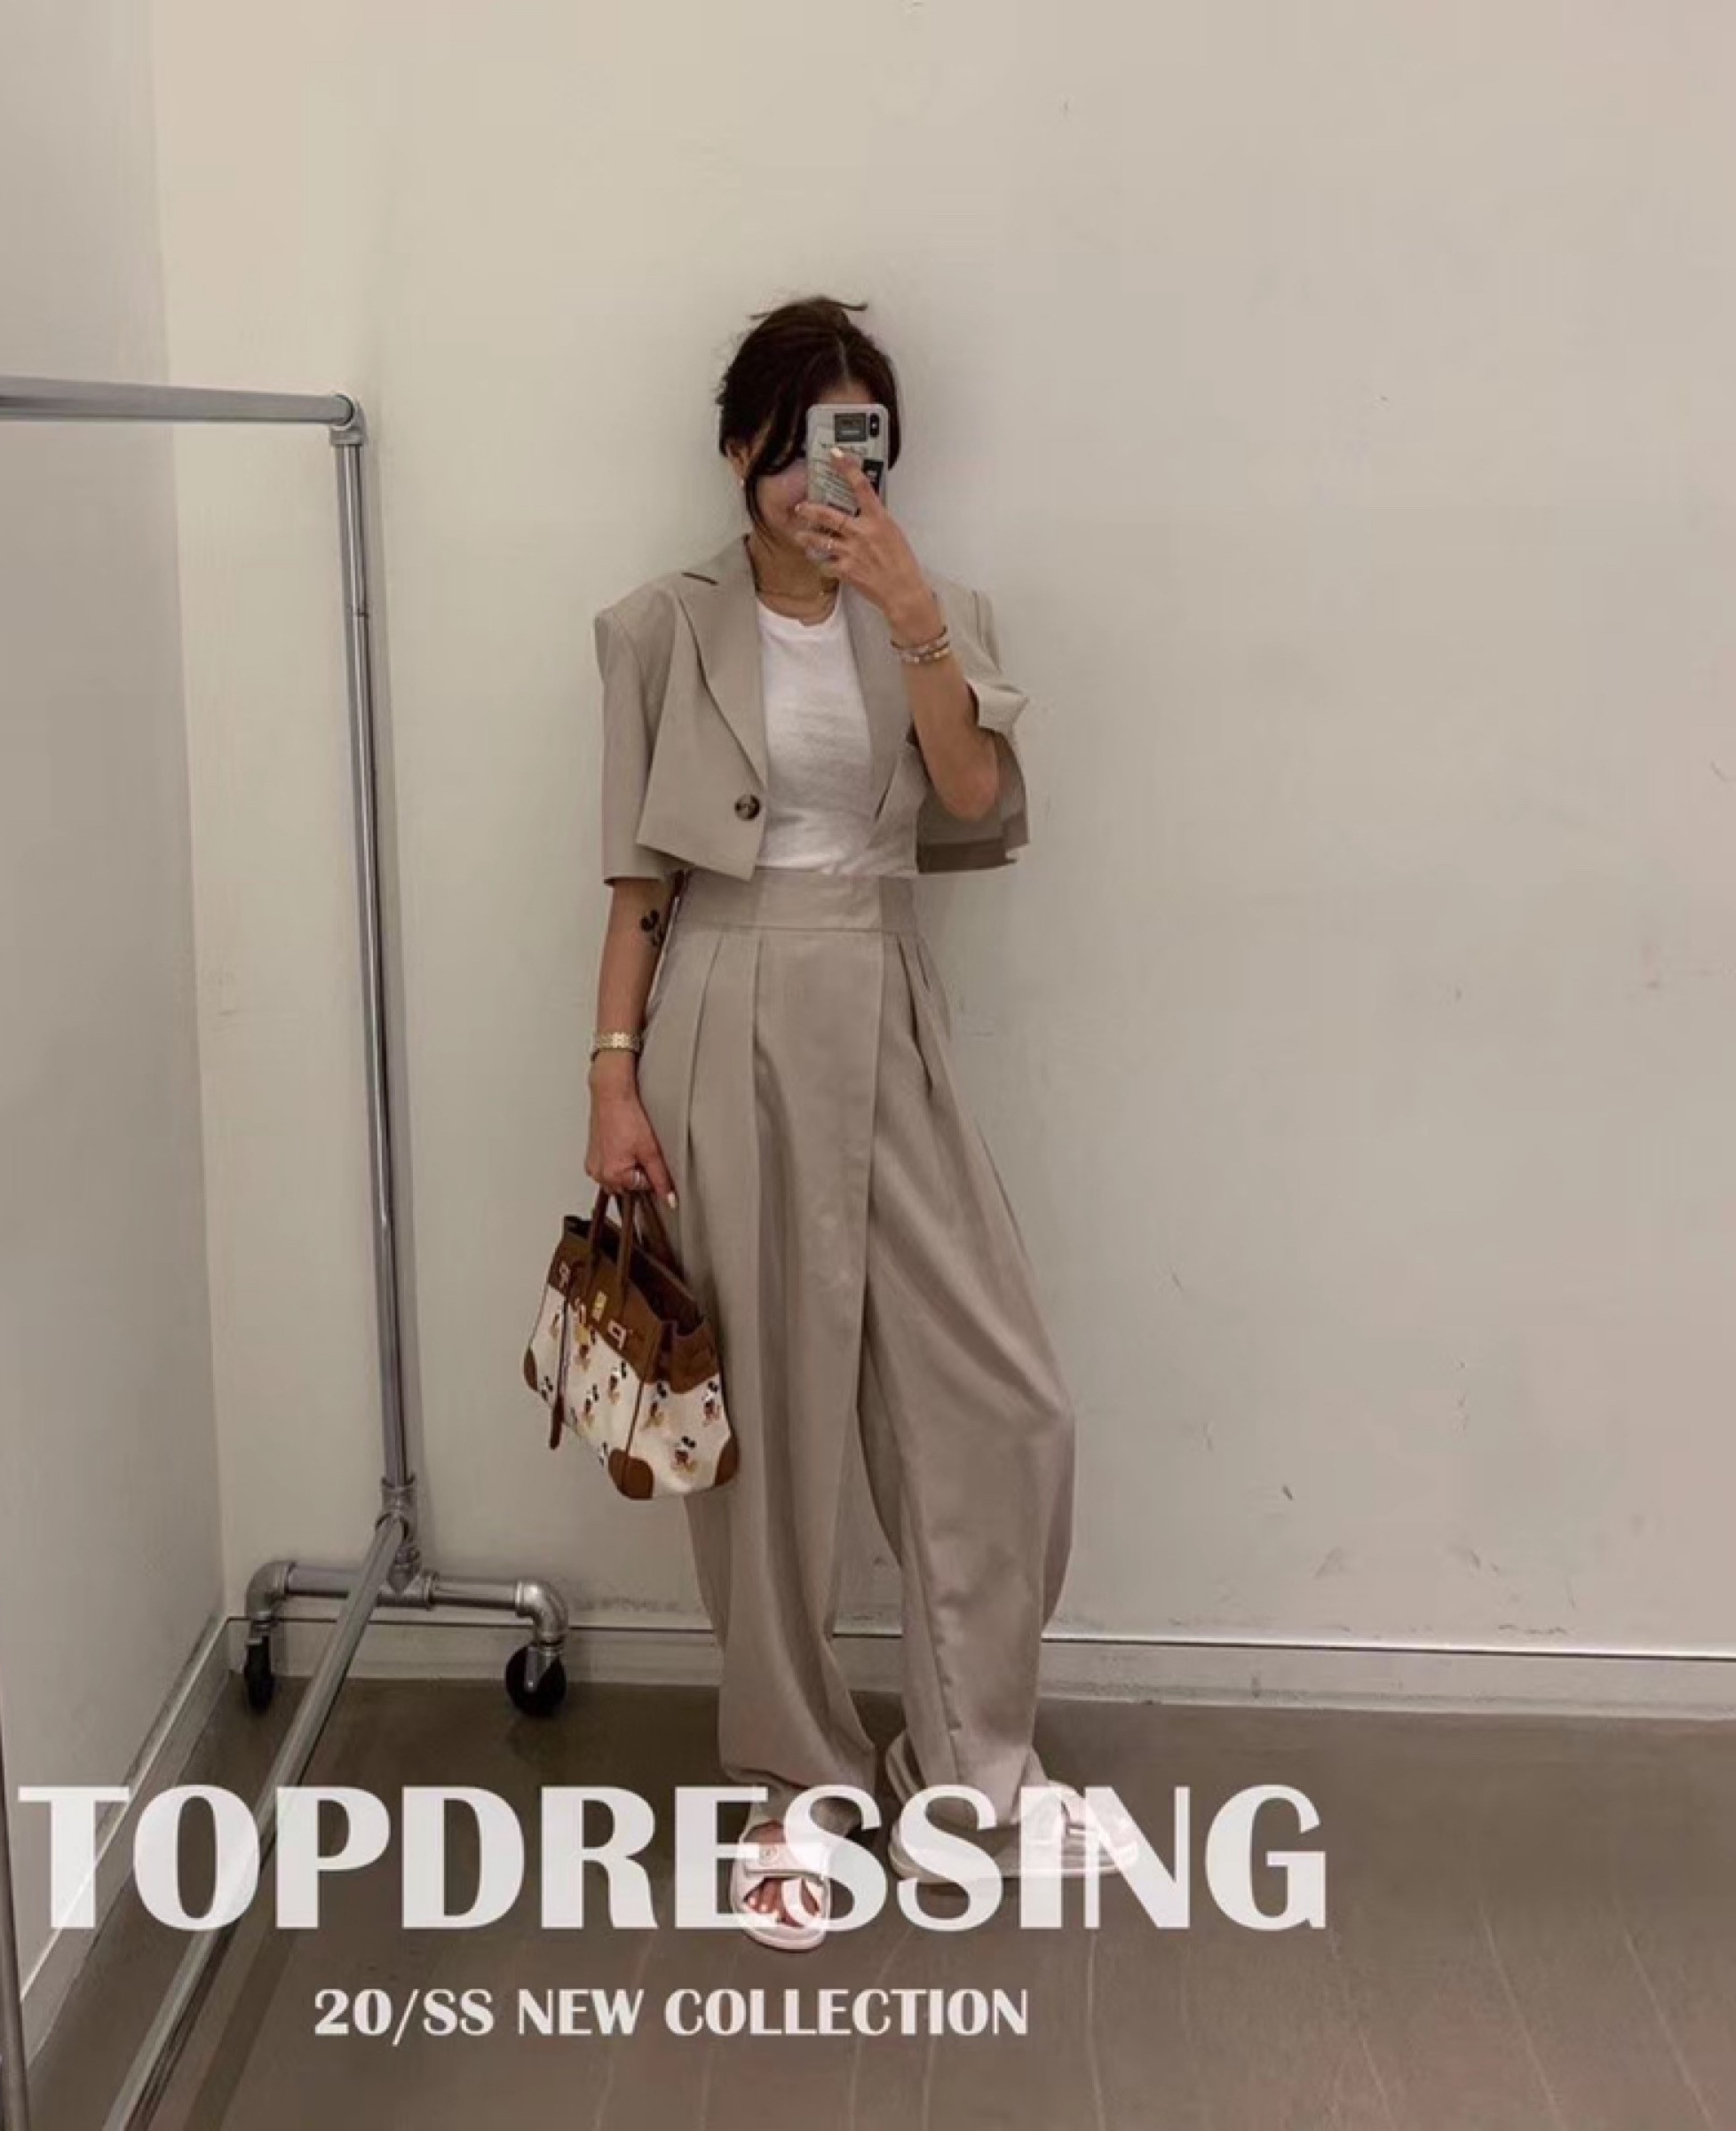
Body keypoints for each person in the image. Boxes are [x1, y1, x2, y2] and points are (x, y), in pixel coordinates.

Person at [584, 296, 1132, 1950]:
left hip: (884, 996)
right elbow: (638, 879)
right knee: (766, 1421)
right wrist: (609, 1080)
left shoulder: (934, 610)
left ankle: (970, 1766)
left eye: (861, 444)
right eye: (800, 442)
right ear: (740, 449)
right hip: (726, 1010)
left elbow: (971, 799)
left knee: (1001, 1398)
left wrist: (912, 619)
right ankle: (795, 1782)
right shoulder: (659, 628)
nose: (830, 475)